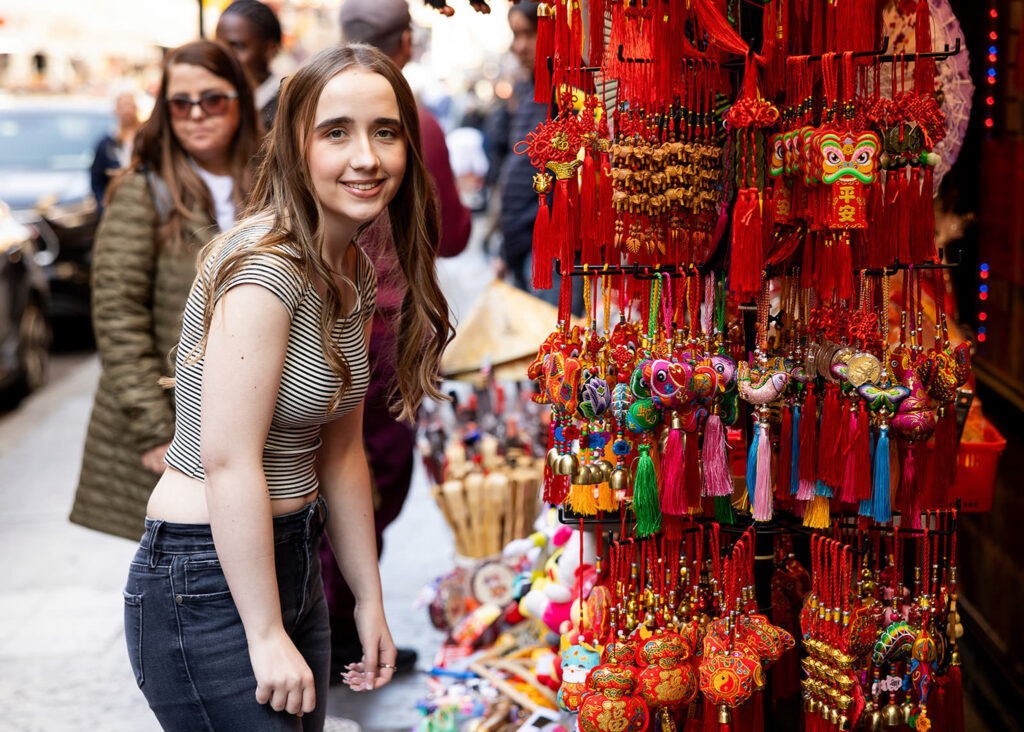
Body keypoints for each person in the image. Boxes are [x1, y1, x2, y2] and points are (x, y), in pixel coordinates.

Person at [121, 43, 452, 730]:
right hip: (205, 578)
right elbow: (228, 459)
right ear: (296, 146)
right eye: (337, 132)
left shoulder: (348, 269)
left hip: (290, 558)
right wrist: (265, 634)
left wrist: (367, 599)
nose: (366, 157)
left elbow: (341, 454)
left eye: (384, 131)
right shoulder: (268, 271)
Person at [69, 40, 262, 541]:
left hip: (252, 420)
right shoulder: (142, 190)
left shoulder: (271, 185)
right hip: (174, 424)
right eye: (181, 103)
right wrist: (155, 430)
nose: (196, 114)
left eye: (213, 99)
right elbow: (117, 316)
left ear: (240, 99)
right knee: (188, 588)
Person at [332, 0, 470, 676]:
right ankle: (335, 629)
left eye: (379, 138)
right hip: (379, 331)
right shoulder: (420, 124)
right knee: (366, 480)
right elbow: (456, 234)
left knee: (332, 476)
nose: (362, 158)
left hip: (346, 323)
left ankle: (338, 625)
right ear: (407, 43)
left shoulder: (307, 111)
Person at [216, 0, 283, 129]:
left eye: (236, 46)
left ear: (270, 49)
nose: (224, 55)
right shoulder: (215, 103)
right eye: (219, 46)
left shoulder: (286, 109)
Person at [90, 88, 140, 214]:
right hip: (117, 207)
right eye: (123, 106)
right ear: (116, 110)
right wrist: (103, 206)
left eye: (130, 105)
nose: (127, 110)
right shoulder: (107, 143)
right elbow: (97, 178)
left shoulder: (145, 138)